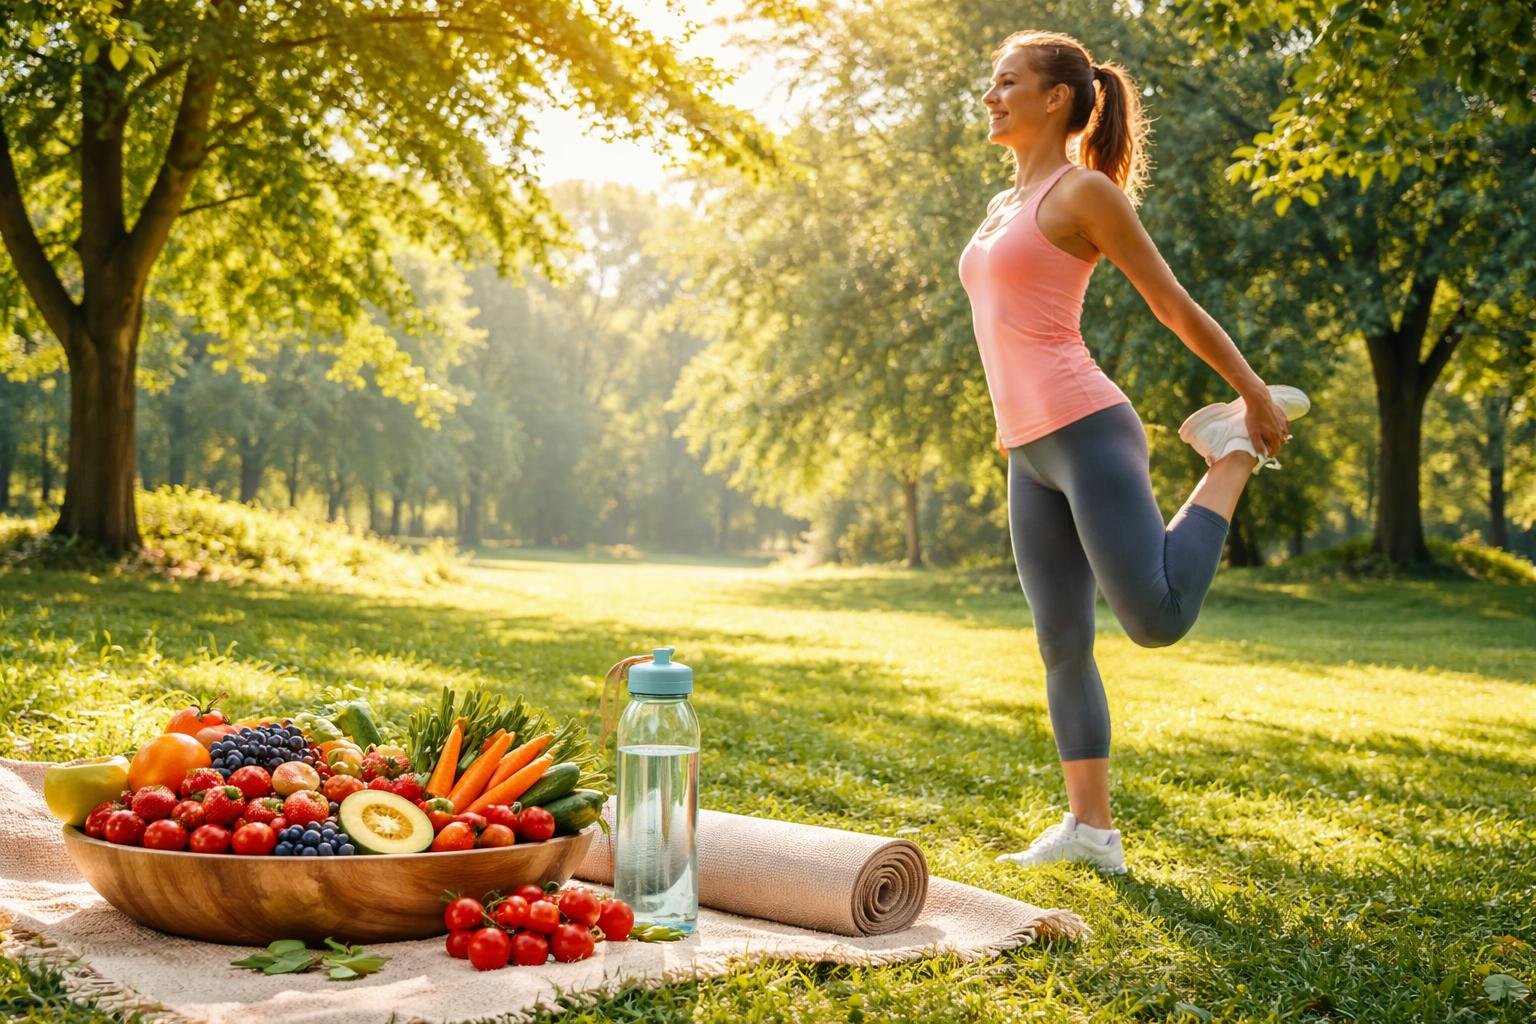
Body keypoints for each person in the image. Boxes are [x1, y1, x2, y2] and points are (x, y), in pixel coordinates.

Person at [957, 30, 1310, 874]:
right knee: (1061, 640)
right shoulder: (1003, 203)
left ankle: (1230, 451)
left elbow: (1170, 301)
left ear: (1057, 99)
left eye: (1007, 82)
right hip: (1027, 449)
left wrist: (1253, 393)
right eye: (991, 83)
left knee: (1155, 618)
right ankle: (1092, 832)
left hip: (1085, 427)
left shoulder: (1084, 192)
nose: (990, 96)